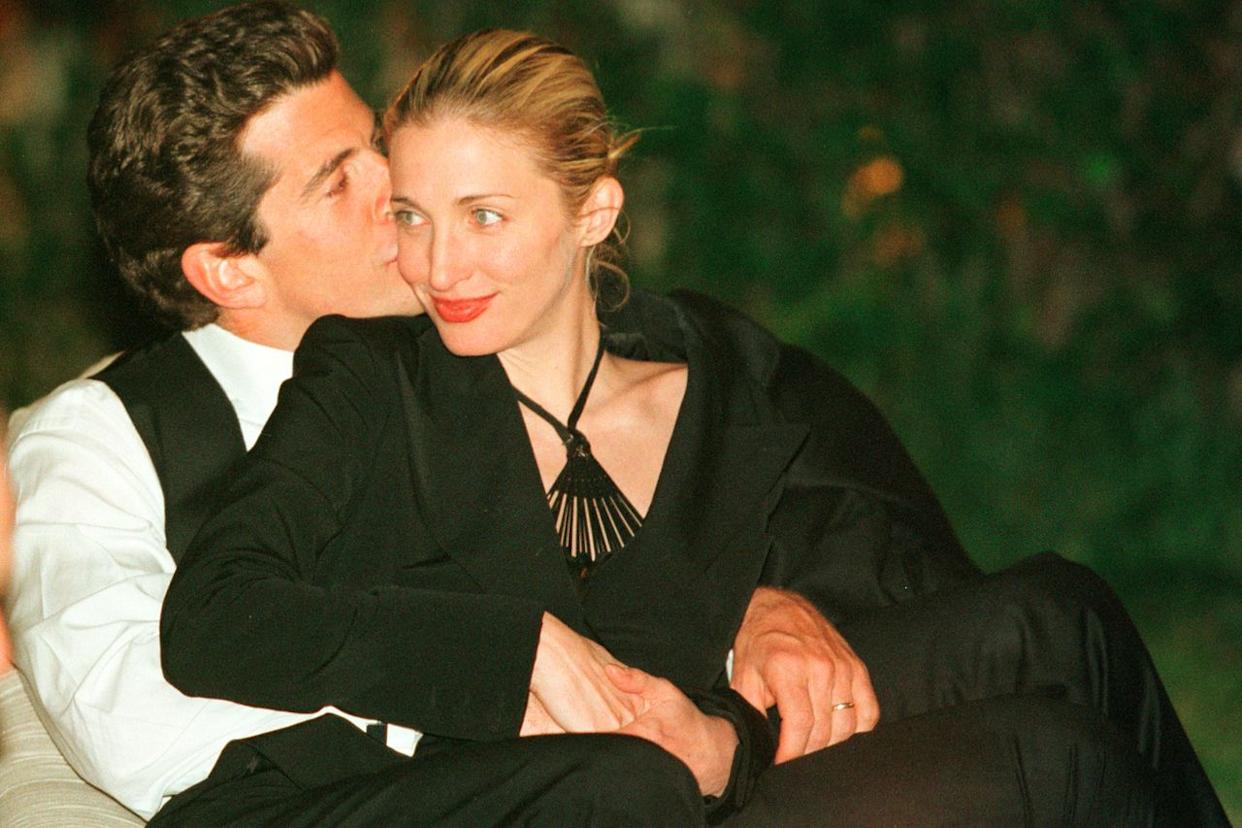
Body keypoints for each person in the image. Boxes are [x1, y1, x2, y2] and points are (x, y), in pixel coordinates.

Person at [157, 28, 1223, 825]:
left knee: (1062, 615)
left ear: (594, 213)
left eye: (485, 217)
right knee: (1050, 759)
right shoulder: (371, 378)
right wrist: (510, 647)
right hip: (602, 799)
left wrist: (762, 612)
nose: (439, 267)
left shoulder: (701, 373)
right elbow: (213, 617)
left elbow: (865, 541)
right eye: (413, 217)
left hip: (729, 742)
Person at [4, 3, 956, 819]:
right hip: (393, 796)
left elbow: (744, 464)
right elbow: (125, 714)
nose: (399, 191)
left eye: (377, 144)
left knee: (1039, 634)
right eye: (342, 180)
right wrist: (471, 685)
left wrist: (757, 601)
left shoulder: (495, 323)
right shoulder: (97, 434)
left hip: (645, 752)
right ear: (228, 268)